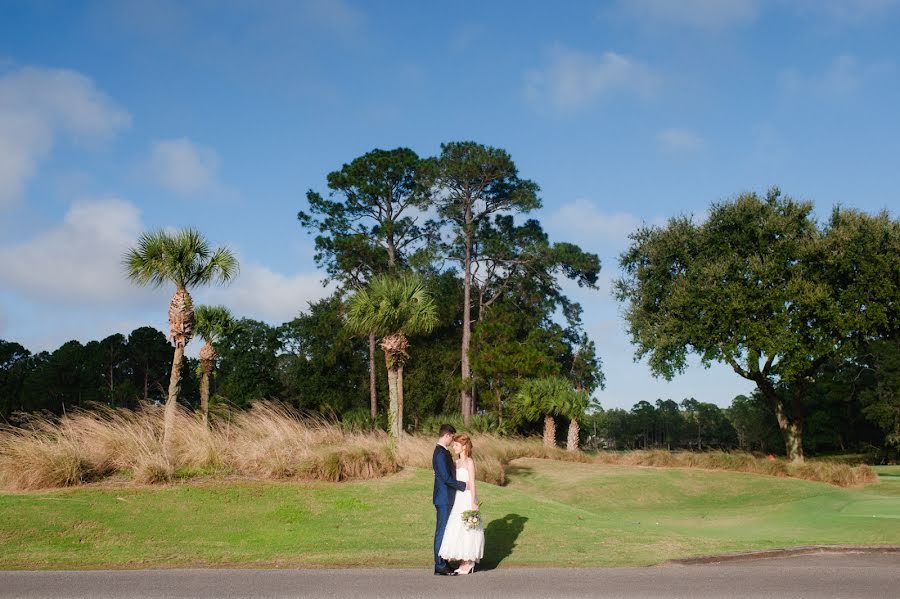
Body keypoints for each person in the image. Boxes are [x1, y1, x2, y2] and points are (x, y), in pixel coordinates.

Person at [438, 433, 484, 574]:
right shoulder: (455, 463)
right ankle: (462, 560)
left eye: (456, 445)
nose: (454, 447)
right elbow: (449, 478)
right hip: (457, 498)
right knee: (456, 526)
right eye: (454, 445)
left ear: (464, 446)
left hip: (467, 498)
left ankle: (468, 562)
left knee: (468, 528)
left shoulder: (469, 462)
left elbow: (472, 483)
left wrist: (473, 502)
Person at [432, 424, 469, 576]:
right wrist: (463, 485)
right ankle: (439, 565)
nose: (452, 440)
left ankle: (443, 562)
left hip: (446, 497)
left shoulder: (443, 452)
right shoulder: (440, 454)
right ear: (447, 435)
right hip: (444, 498)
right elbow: (447, 478)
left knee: (445, 531)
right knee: (441, 531)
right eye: (452, 437)